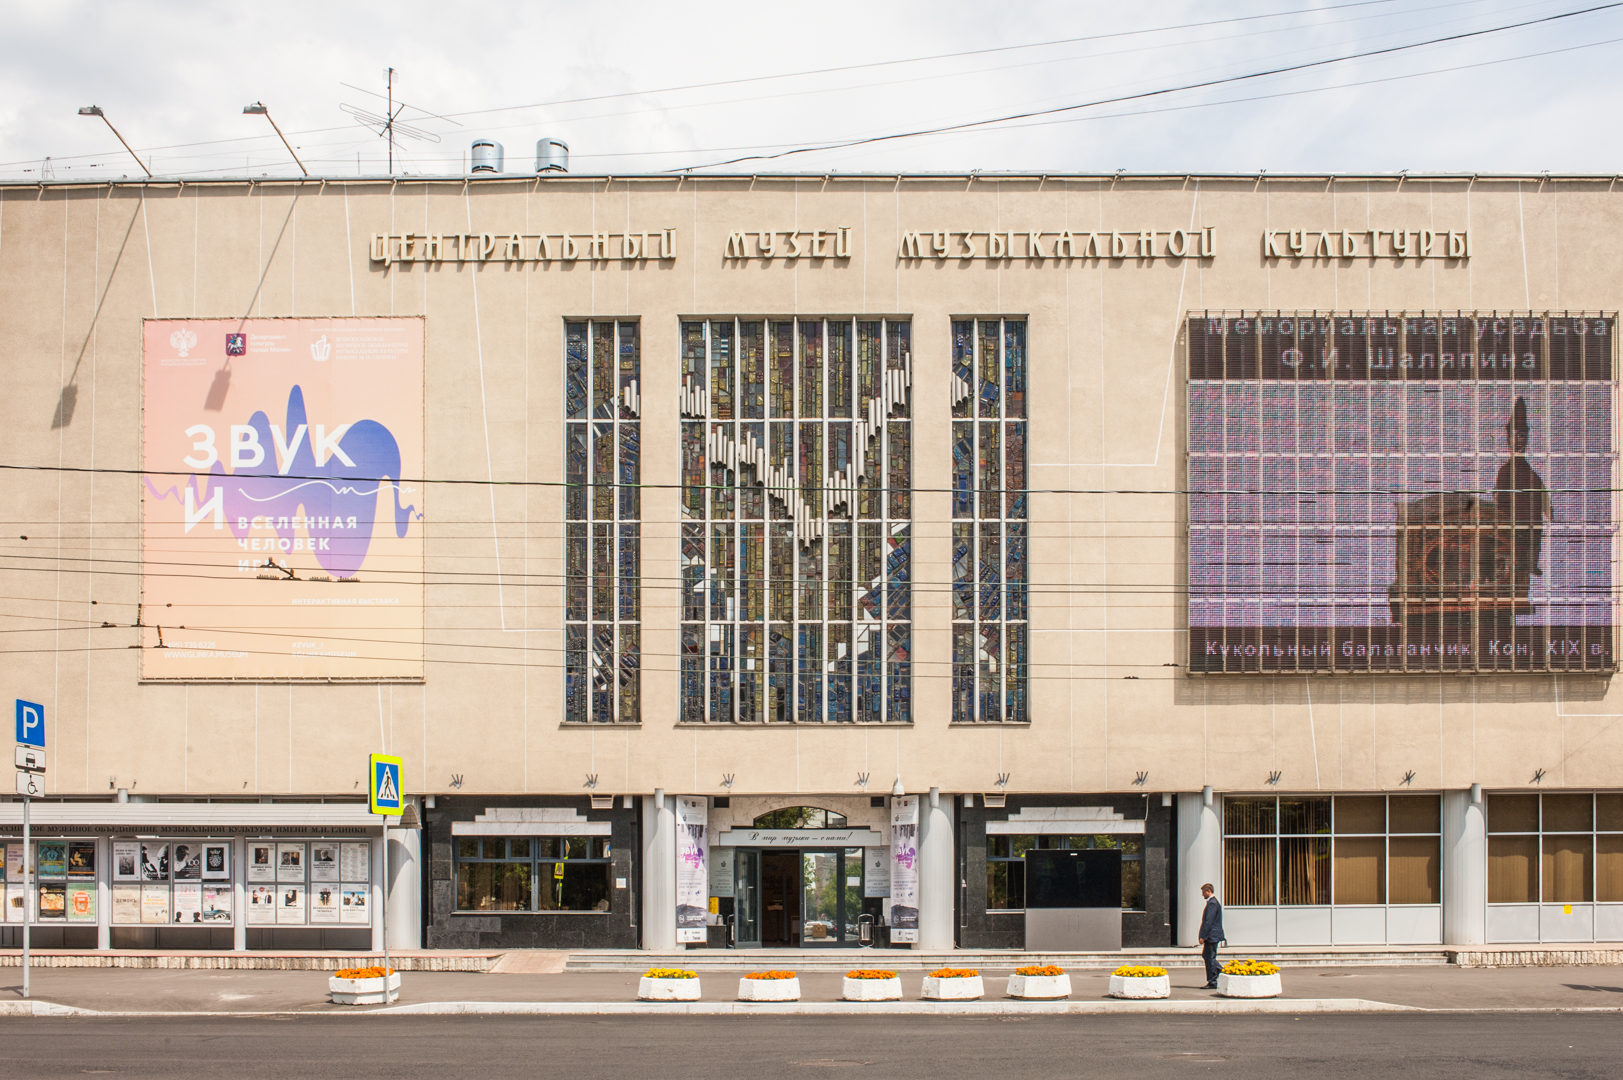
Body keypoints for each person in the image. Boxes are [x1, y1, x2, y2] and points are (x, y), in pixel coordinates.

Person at [1493, 396, 1549, 588]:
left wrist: (1546, 507)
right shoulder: (1505, 472)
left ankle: (1528, 564)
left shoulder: (1532, 474)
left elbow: (1545, 506)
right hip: (1509, 537)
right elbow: (1498, 502)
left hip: (1529, 539)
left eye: (1523, 436)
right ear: (1508, 439)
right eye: (1515, 435)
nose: (1519, 441)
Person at [1198, 882, 1225, 989]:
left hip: (1212, 935)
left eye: (1203, 892)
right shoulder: (1212, 903)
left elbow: (1208, 921)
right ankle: (1220, 971)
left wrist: (1203, 936)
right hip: (1213, 935)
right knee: (1207, 956)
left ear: (1208, 891)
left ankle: (1213, 981)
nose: (1202, 894)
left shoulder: (1212, 903)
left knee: (1209, 957)